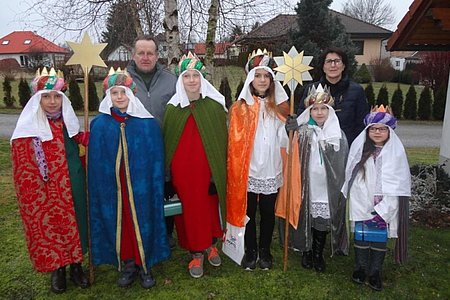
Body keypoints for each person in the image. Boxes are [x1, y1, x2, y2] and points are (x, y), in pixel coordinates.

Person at [88, 69, 170, 289]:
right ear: (108, 96)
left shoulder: (147, 124)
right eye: (115, 93)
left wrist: (155, 183)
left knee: (143, 220)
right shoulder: (99, 125)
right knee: (121, 222)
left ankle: (145, 263)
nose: (119, 97)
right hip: (113, 188)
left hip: (141, 187)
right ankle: (128, 263)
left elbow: (156, 159)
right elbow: (95, 162)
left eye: (123, 92)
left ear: (131, 94)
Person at [11, 68, 89, 294]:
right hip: (45, 188)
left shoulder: (68, 123)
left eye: (57, 96)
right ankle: (59, 268)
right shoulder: (28, 128)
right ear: (38, 99)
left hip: (71, 182)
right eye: (46, 97)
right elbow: (22, 164)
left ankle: (76, 266)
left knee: (76, 222)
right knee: (53, 226)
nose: (53, 102)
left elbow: (80, 146)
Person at [163, 52, 227, 278]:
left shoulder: (214, 107)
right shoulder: (172, 109)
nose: (191, 80)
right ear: (181, 79)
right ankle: (196, 254)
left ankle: (210, 245)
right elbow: (168, 145)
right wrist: (169, 178)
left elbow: (220, 142)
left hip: (207, 172)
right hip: (183, 174)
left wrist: (216, 173)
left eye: (195, 75)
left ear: (202, 78)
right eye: (187, 76)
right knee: (190, 213)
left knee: (209, 208)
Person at [227, 49, 289, 271]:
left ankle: (265, 250)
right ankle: (250, 249)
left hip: (272, 167)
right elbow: (234, 144)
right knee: (249, 212)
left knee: (268, 211)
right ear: (250, 79)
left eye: (266, 76)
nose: (262, 80)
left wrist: (291, 129)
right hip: (249, 169)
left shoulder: (281, 107)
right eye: (258, 75)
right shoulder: (239, 108)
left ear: (272, 81)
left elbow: (285, 142)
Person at [278, 84, 349, 273]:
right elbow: (287, 149)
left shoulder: (338, 136)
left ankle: (318, 253)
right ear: (309, 111)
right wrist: (289, 131)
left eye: (323, 109)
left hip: (326, 187)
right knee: (306, 216)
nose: (319, 113)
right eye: (315, 109)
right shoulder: (302, 131)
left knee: (321, 220)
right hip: (306, 184)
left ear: (330, 111)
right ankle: (306, 250)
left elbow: (341, 165)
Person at [341, 105, 411, 291]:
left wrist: (386, 204)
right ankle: (360, 267)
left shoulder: (396, 153)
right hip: (362, 199)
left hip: (385, 202)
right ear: (367, 130)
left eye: (382, 129)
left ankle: (375, 271)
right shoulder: (360, 151)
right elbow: (351, 176)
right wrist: (361, 200)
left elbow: (399, 181)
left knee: (380, 237)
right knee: (362, 235)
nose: (377, 132)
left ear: (389, 131)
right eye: (373, 128)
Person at [127, 34, 178, 248]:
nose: (146, 57)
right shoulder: (123, 81)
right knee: (140, 194)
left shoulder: (171, 81)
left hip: (166, 148)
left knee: (166, 192)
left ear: (157, 56)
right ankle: (142, 235)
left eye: (150, 53)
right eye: (141, 53)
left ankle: (166, 235)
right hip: (135, 152)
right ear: (133, 55)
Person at [298, 47, 369, 145]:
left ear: (343, 66)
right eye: (328, 61)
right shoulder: (311, 89)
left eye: (337, 61)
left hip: (347, 147)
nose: (333, 65)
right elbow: (302, 117)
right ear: (323, 67)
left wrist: (353, 146)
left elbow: (361, 123)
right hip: (316, 148)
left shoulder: (356, 91)